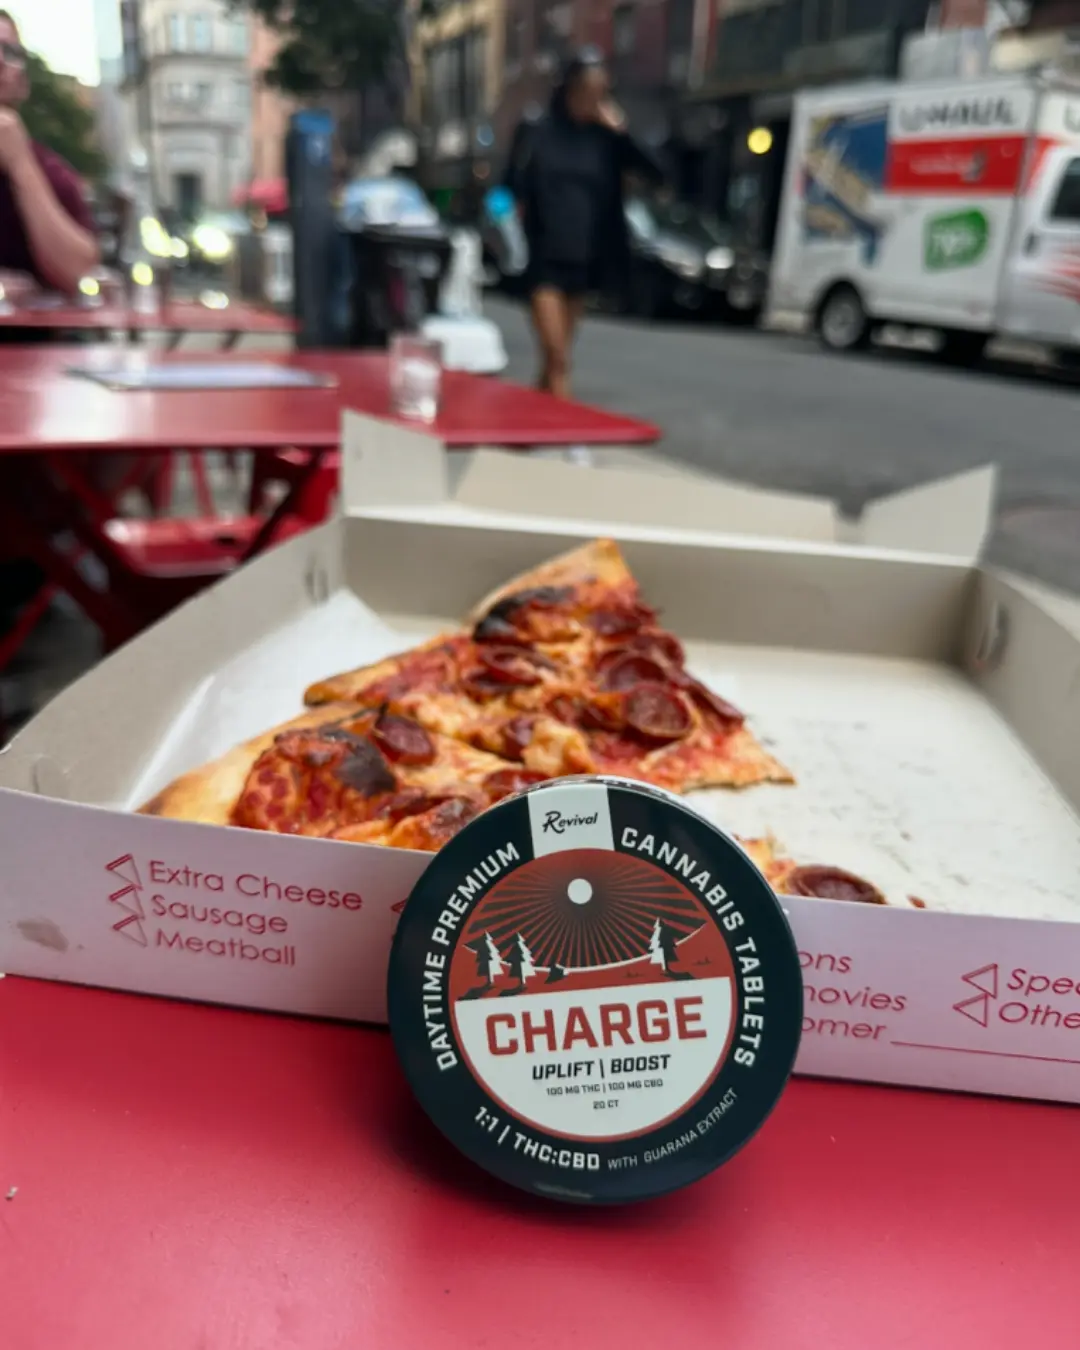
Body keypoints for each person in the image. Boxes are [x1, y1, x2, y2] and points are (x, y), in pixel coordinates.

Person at [505, 47, 664, 399]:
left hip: (584, 259)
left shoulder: (605, 140)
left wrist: (621, 130)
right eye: (589, 90)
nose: (595, 99)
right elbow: (507, 188)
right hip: (543, 259)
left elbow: (656, 172)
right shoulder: (538, 132)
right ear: (571, 88)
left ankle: (532, 425)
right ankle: (567, 441)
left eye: (601, 91)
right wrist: (508, 222)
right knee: (559, 357)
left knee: (553, 361)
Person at [0, 10, 99, 296]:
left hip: (36, 339)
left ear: (24, 84)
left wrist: (20, 164)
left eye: (9, 52)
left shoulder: (49, 171)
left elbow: (79, 274)